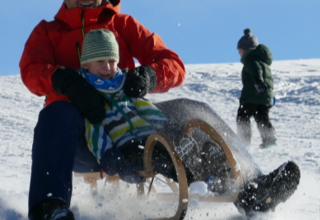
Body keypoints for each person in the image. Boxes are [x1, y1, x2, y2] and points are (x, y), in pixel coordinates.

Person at [19, 0, 186, 220]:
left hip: (129, 127)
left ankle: (244, 183)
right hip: (80, 139)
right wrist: (65, 81)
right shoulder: (48, 32)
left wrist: (149, 76)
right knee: (56, 115)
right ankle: (51, 206)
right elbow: (31, 69)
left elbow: (172, 62)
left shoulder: (123, 24)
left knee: (188, 110)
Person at [77, 29, 230, 192]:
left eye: (112, 61)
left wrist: (165, 127)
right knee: (162, 160)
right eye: (100, 61)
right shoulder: (89, 97)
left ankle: (211, 167)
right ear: (86, 64)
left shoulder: (122, 84)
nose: (107, 67)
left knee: (175, 144)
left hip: (150, 136)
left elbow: (143, 107)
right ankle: (198, 182)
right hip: (127, 148)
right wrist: (116, 164)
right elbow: (95, 133)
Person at [236, 28, 278, 148]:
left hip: (252, 95)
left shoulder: (251, 60)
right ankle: (270, 140)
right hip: (264, 97)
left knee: (242, 115)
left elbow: (256, 71)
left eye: (240, 50)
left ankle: (243, 142)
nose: (239, 53)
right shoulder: (263, 62)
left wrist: (258, 82)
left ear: (246, 50)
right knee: (261, 117)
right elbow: (268, 79)